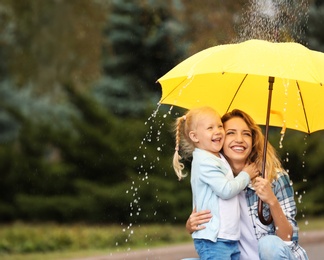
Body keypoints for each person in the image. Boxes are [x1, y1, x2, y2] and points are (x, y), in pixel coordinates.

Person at [186, 109, 309, 260]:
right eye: (231, 132)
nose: (239, 139)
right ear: (220, 139)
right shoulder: (216, 178)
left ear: (253, 141)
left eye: (246, 134)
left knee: (269, 244)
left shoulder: (274, 177)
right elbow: (205, 215)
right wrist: (190, 225)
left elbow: (289, 238)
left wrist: (272, 201)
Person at [173, 106, 259, 260]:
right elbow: (225, 190)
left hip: (227, 237)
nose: (218, 131)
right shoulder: (205, 161)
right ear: (194, 136)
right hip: (214, 239)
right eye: (210, 128)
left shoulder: (216, 156)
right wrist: (246, 175)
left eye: (220, 126)